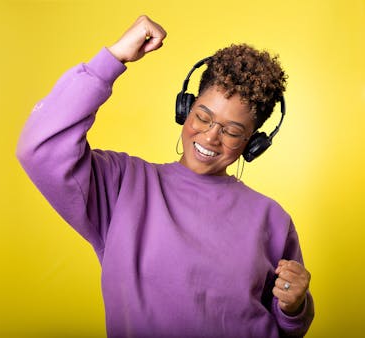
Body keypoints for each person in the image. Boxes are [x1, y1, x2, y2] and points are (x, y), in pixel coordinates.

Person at [17, 15, 314, 338]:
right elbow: (41, 148)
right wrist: (112, 59)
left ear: (253, 144)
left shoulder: (272, 218)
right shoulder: (122, 185)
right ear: (185, 109)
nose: (211, 137)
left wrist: (295, 307)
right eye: (203, 116)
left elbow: (287, 325)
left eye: (232, 131)